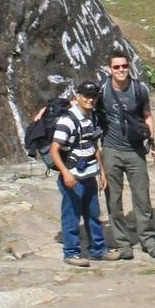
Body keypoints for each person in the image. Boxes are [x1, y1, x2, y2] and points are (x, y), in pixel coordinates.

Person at [99, 50, 155, 259]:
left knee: (142, 198)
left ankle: (148, 240)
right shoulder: (102, 90)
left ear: (128, 66)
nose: (121, 70)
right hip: (110, 150)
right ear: (110, 69)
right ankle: (123, 243)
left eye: (124, 66)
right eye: (116, 67)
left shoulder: (139, 89)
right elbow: (82, 105)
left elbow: (148, 116)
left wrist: (151, 140)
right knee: (113, 200)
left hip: (135, 150)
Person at [50, 80, 117, 267]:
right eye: (86, 96)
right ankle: (71, 253)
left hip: (89, 176)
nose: (90, 99)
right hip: (72, 178)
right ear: (77, 96)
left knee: (94, 215)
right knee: (71, 216)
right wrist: (66, 174)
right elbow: (54, 149)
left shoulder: (92, 117)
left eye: (94, 96)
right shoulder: (67, 120)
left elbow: (93, 145)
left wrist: (101, 172)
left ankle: (98, 250)